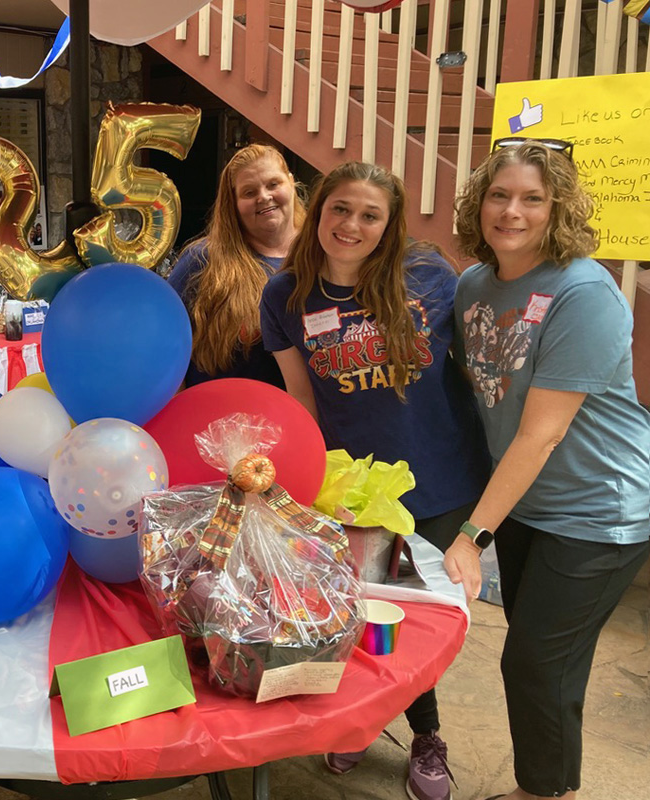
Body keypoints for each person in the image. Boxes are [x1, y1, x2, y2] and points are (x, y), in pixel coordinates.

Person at [259, 161, 491, 800]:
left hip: (441, 475)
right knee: (360, 612)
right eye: (340, 209)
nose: (351, 225)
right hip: (354, 484)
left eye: (369, 215)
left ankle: (425, 737)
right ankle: (365, 715)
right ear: (319, 211)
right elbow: (300, 398)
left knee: (421, 622)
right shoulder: (285, 295)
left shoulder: (430, 276)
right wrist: (308, 484)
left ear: (389, 226)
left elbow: (474, 369)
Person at [450, 140, 650, 800]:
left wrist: (471, 534)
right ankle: (554, 787)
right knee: (552, 662)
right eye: (500, 195)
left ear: (557, 207)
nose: (512, 210)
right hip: (530, 504)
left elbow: (540, 434)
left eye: (532, 198)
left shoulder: (584, 293)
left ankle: (543, 793)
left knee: (534, 662)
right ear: (480, 204)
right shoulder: (473, 285)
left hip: (600, 509)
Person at [167, 143, 304, 388]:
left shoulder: (320, 255)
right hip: (218, 420)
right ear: (233, 203)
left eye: (273, 184)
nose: (264, 196)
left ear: (291, 182)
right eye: (249, 192)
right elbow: (166, 342)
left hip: (302, 419)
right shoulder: (202, 260)